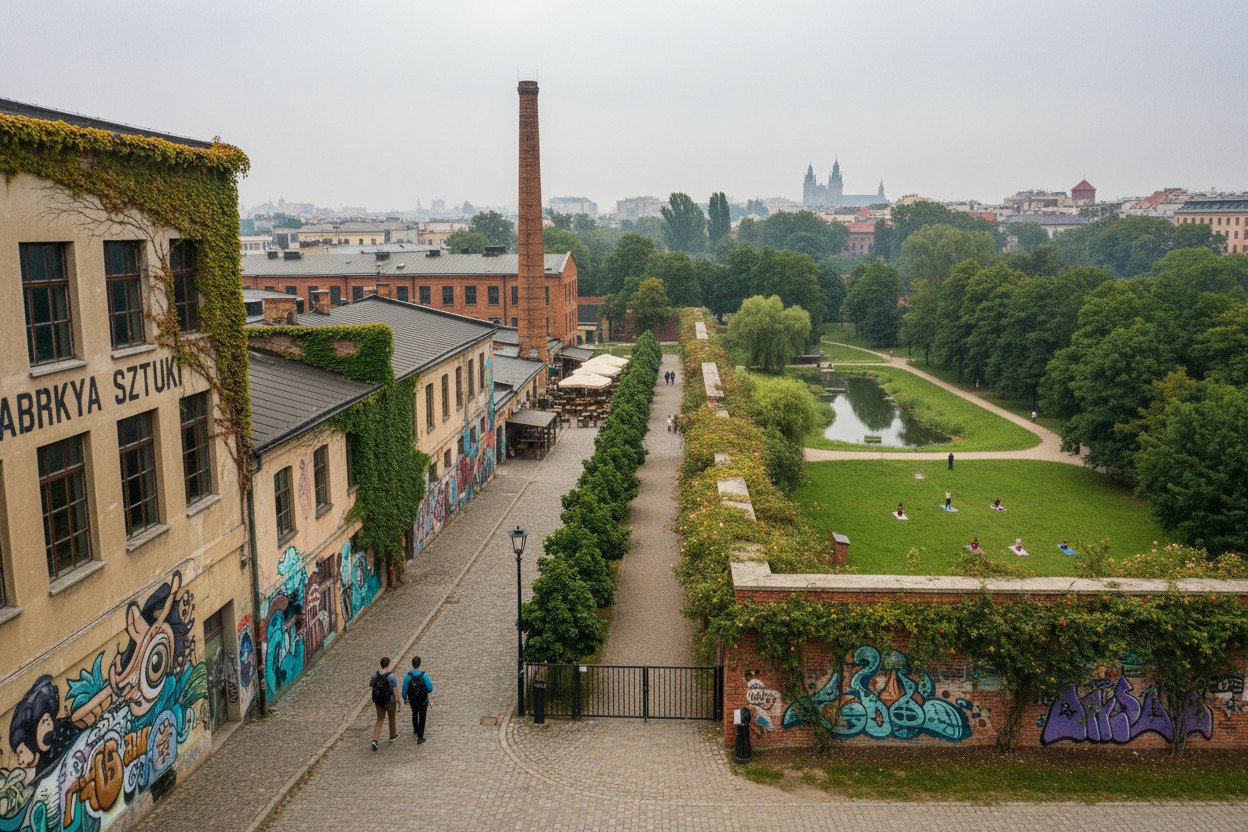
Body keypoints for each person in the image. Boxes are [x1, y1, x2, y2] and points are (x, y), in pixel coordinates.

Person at [370, 656, 400, 751]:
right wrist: (398, 701)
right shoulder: (391, 676)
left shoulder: (374, 675)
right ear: (388, 664)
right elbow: (394, 690)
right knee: (391, 718)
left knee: (380, 719)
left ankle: (375, 740)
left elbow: (372, 685)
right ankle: (392, 735)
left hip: (379, 702)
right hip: (390, 701)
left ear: (381, 664)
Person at [403, 656, 433, 744]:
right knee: (422, 716)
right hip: (423, 700)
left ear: (412, 664)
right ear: (420, 664)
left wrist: (404, 698)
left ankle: (415, 729)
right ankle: (420, 737)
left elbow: (404, 690)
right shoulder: (424, 675)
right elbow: (430, 688)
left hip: (412, 699)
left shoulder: (408, 676)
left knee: (414, 713)